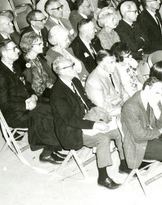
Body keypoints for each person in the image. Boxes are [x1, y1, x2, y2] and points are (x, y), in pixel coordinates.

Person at [49, 56, 128, 189]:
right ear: (59, 71)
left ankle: (124, 163)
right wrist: (94, 125)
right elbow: (70, 119)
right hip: (71, 129)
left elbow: (87, 102)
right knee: (102, 139)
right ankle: (103, 177)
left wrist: (97, 113)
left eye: (72, 64)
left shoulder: (75, 81)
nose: (73, 68)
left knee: (119, 130)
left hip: (88, 119)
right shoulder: (57, 93)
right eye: (68, 67)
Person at [0, 38, 64, 163]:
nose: (17, 50)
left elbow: (27, 85)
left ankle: (56, 143)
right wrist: (26, 105)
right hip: (17, 113)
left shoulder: (14, 66)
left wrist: (33, 95)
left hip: (29, 102)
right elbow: (4, 103)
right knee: (49, 113)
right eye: (13, 49)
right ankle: (47, 152)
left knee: (56, 105)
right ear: (5, 53)